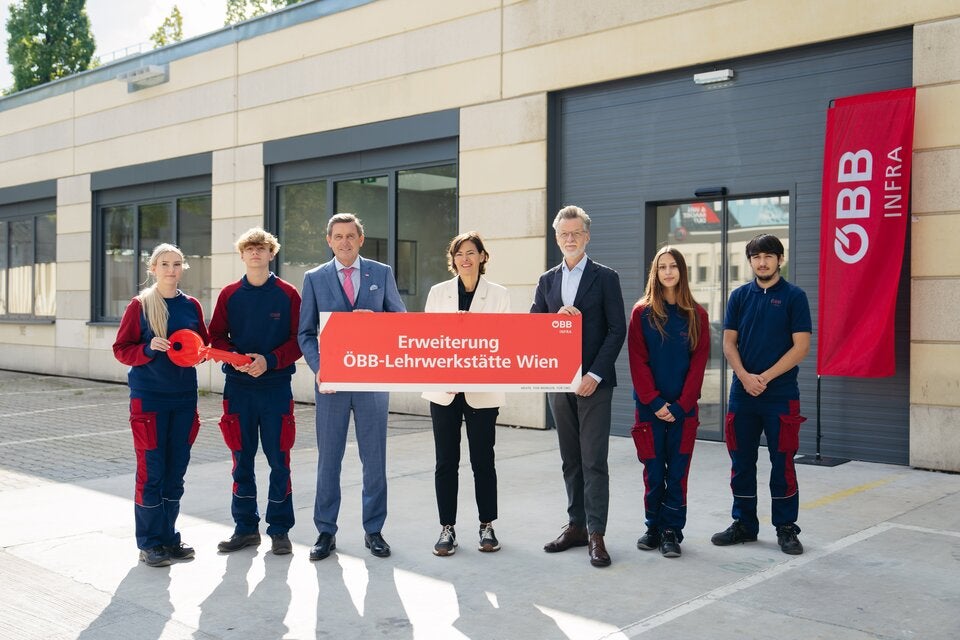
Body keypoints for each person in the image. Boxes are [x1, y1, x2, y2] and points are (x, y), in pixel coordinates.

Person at [298, 213, 406, 561]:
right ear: (329, 241)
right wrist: (320, 367)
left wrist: (376, 323)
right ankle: (325, 532)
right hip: (331, 385)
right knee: (329, 460)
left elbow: (401, 321)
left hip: (372, 382)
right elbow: (305, 333)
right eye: (338, 236)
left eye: (351, 235)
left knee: (374, 460)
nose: (344, 241)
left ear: (361, 239)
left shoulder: (381, 273)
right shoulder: (314, 278)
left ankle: (373, 531)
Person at [531, 205, 626, 568]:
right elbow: (532, 326)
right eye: (563, 234)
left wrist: (595, 375)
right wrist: (554, 320)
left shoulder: (605, 277)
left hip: (594, 385)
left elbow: (617, 329)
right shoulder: (547, 281)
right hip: (560, 382)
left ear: (587, 236)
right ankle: (576, 525)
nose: (569, 239)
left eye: (576, 233)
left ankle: (596, 533)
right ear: (557, 238)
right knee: (570, 459)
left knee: (593, 460)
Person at [712, 233, 811, 555]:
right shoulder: (740, 297)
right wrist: (745, 377)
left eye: (768, 256)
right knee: (741, 462)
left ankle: (786, 528)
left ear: (779, 259)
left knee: (782, 462)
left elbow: (801, 347)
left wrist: (764, 378)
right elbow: (728, 343)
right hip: (743, 394)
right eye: (756, 257)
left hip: (780, 394)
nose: (762, 261)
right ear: (751, 261)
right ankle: (744, 525)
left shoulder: (795, 297)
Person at [112, 243, 209, 567]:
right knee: (151, 472)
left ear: (183, 269)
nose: (171, 269)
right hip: (149, 398)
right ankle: (150, 543)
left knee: (175, 472)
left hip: (183, 398)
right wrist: (148, 348)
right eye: (165, 264)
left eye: (177, 264)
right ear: (153, 268)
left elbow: (203, 347)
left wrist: (211, 353)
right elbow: (122, 349)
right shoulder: (139, 306)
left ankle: (169, 538)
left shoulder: (191, 306)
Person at [208, 228, 303, 556]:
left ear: (271, 253)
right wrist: (235, 360)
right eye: (249, 249)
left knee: (280, 460)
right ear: (242, 254)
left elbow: (298, 339)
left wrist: (271, 360)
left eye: (262, 248)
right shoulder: (229, 295)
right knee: (241, 460)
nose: (255, 254)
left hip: (276, 388)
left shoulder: (289, 294)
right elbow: (215, 337)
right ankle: (245, 528)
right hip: (238, 388)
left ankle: (279, 530)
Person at [422, 231, 511, 557]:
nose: (465, 259)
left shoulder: (499, 294)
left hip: (482, 390)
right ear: (453, 259)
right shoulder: (438, 292)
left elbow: (502, 340)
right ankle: (447, 528)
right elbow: (429, 340)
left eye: (471, 252)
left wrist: (473, 325)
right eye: (459, 253)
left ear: (483, 257)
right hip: (443, 389)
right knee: (445, 461)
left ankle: (487, 525)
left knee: (482, 460)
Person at [627, 247, 710, 558]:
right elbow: (638, 361)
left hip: (683, 412)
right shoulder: (642, 313)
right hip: (649, 410)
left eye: (673, 266)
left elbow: (698, 364)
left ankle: (671, 531)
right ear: (656, 272)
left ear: (682, 271)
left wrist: (680, 405)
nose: (668, 272)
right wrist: (655, 401)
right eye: (662, 267)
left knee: (677, 472)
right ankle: (653, 527)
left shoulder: (697, 315)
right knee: (652, 471)